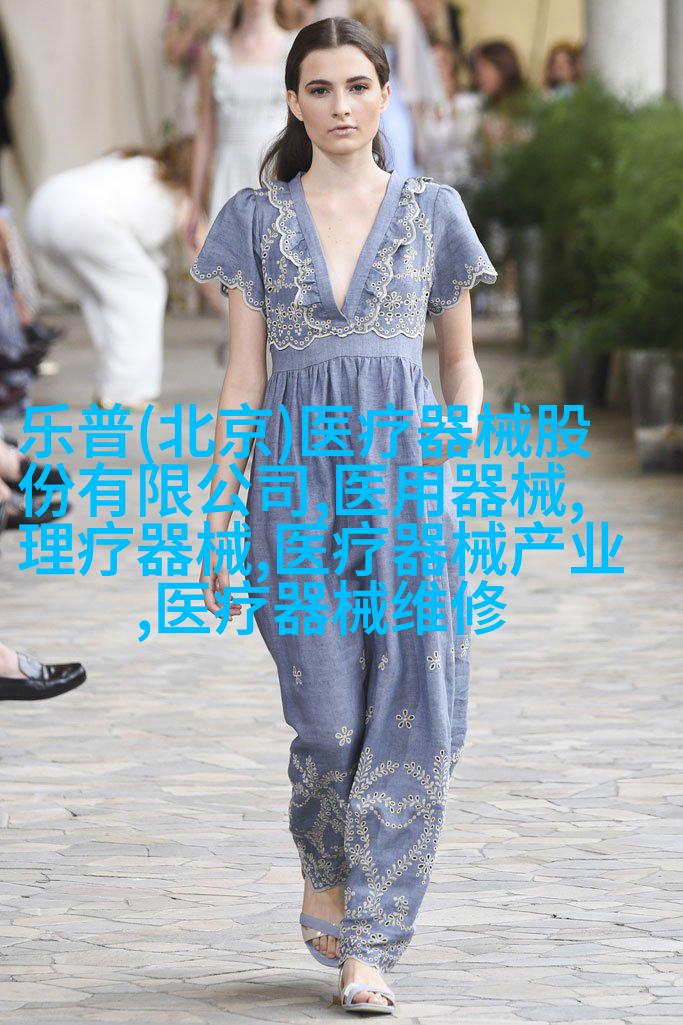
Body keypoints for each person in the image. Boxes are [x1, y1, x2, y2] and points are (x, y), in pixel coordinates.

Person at [190, 15, 497, 1012]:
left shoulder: (431, 211)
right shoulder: (254, 219)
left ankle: (370, 942)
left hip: (406, 483)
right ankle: (324, 859)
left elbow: (460, 362)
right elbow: (242, 381)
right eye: (318, 89)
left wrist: (459, 437)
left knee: (414, 710)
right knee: (325, 720)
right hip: (294, 487)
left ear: (385, 94)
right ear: (292, 101)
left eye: (357, 86)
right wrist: (213, 514)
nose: (339, 106)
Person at [25, 137, 212, 410]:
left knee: (106, 295)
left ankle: (112, 386)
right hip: (82, 218)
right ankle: (127, 392)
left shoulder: (134, 163)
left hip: (42, 209)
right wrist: (231, 311)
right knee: (145, 287)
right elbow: (203, 260)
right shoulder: (176, 193)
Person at [187, 0, 299, 243]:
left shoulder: (295, 47)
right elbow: (205, 131)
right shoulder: (214, 51)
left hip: (279, 169)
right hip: (229, 173)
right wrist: (194, 204)